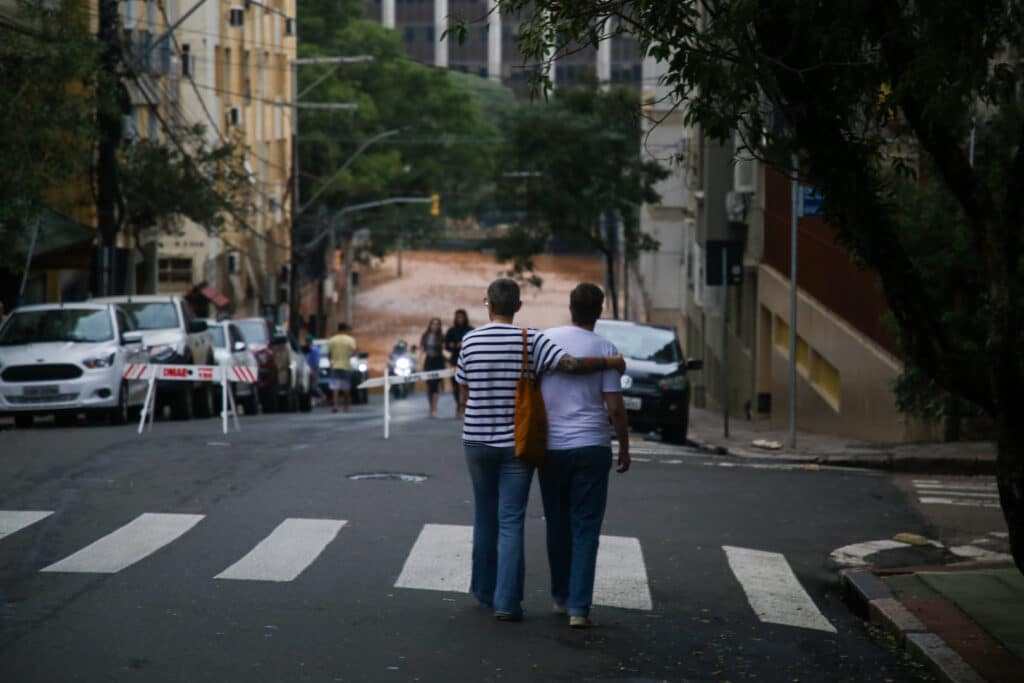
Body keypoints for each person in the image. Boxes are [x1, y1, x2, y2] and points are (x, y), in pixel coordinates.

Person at [455, 278, 625, 622]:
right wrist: (610, 363)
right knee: (511, 520)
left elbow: (463, 392)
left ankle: (484, 592)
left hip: (475, 441)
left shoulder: (469, 340)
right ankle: (508, 604)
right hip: (518, 443)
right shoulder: (530, 340)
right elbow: (571, 366)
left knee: (483, 517)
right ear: (518, 306)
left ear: (487, 303)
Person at [538, 283, 630, 629]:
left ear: (570, 307)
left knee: (557, 523)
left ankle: (560, 597)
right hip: (592, 445)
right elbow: (615, 408)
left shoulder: (545, 340)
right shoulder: (606, 347)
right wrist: (624, 445)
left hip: (552, 447)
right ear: (600, 310)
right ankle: (579, 608)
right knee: (586, 527)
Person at [444, 309, 473, 417]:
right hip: (455, 361)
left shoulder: (470, 330)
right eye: (458, 317)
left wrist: (463, 343)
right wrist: (453, 345)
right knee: (455, 385)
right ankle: (458, 405)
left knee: (466, 385)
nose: (460, 319)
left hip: (468, 361)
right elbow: (446, 344)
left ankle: (464, 405)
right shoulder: (451, 331)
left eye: (461, 317)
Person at [326, 322, 357, 413]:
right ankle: (346, 407)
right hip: (346, 366)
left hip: (335, 366)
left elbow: (328, 354)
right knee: (346, 387)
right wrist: (349, 356)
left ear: (338, 329)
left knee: (335, 387)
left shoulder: (332, 340)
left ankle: (335, 406)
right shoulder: (350, 340)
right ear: (345, 330)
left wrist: (331, 362)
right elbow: (354, 352)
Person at [420, 318, 447, 417]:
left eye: (437, 324)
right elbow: (422, 349)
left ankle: (434, 408)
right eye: (433, 324)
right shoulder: (425, 336)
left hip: (438, 361)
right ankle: (430, 406)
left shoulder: (442, 336)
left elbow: (445, 349)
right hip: (429, 361)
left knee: (435, 385)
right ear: (430, 325)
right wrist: (421, 361)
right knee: (429, 385)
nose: (435, 326)